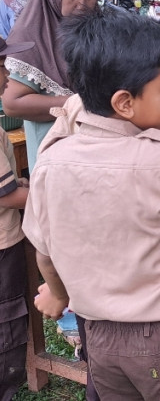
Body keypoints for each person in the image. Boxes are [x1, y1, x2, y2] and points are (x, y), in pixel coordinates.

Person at [22, 10, 160, 400]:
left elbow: (46, 256)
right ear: (124, 102)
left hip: (100, 339)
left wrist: (58, 293)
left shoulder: (50, 161)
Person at [2, 0, 99, 173]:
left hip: (94, 153)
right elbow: (12, 103)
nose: (82, 4)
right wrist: (79, 102)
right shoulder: (30, 34)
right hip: (54, 155)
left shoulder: (95, 29)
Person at [0, 37, 34, 400]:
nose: (8, 75)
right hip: (3, 244)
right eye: (2, 68)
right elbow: (7, 196)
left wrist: (22, 180)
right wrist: (49, 196)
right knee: (7, 318)